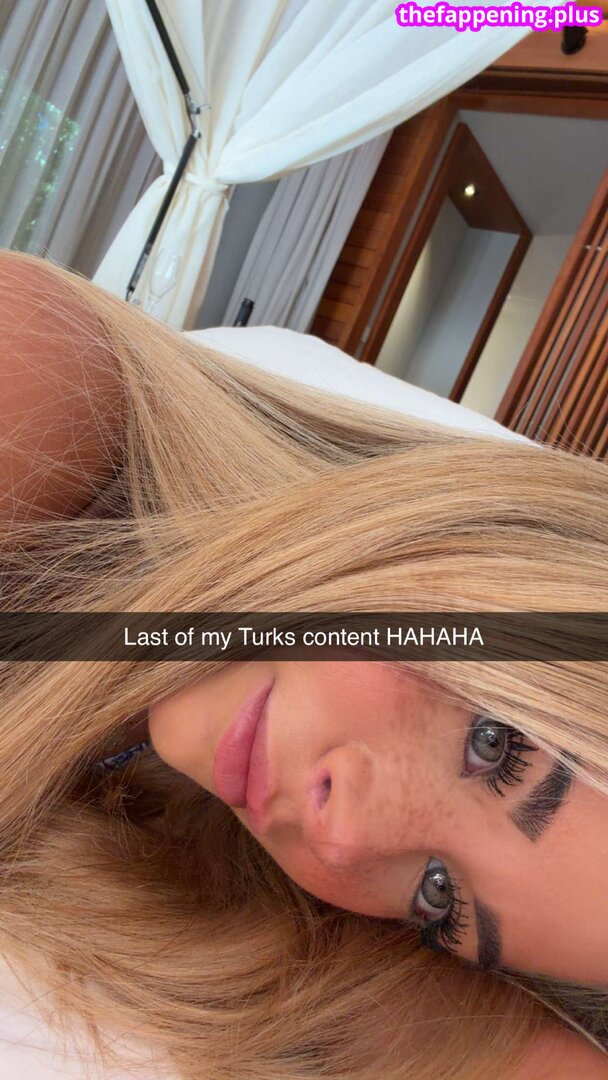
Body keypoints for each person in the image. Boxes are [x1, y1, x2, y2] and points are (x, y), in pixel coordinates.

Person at [0, 247, 606, 1079]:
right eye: (493, 745)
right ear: (492, 539)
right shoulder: (44, 381)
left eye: (439, 897)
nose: (345, 839)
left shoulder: (169, 825)